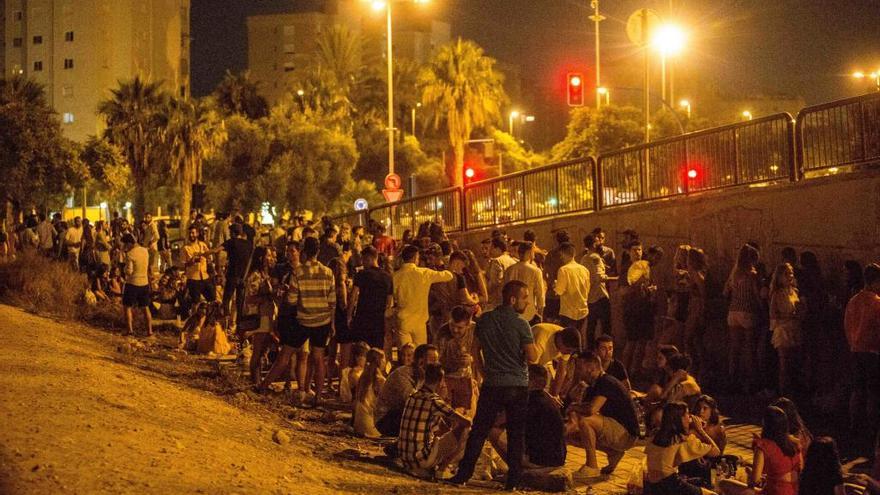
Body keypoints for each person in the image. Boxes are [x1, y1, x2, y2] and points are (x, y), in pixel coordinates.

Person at [446, 281, 538, 491]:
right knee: (516, 434)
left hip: (492, 383)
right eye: (525, 297)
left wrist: (484, 372)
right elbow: (532, 357)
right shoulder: (521, 324)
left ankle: (463, 474)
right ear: (513, 299)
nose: (527, 302)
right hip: (517, 384)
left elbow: (475, 349)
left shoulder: (485, 320)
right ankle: (513, 481)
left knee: (479, 430)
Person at [565, 350, 639, 478]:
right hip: (616, 429)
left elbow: (590, 410)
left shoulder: (606, 382)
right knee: (574, 435)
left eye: (579, 367)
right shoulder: (593, 385)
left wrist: (573, 406)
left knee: (586, 421)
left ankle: (591, 466)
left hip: (627, 434)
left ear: (590, 368)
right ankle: (613, 453)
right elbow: (579, 412)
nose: (577, 371)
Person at [399, 363, 472, 479]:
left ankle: (437, 467)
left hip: (406, 458)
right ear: (441, 381)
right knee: (467, 429)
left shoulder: (412, 396)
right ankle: (442, 470)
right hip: (422, 460)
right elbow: (466, 422)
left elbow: (438, 429)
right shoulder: (434, 401)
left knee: (440, 436)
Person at [489, 364, 567, 469]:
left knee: (492, 431)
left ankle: (517, 469)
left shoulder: (526, 399)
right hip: (557, 458)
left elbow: (497, 422)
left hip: (540, 460)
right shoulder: (547, 399)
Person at [290, 236, 335, 407]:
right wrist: (332, 324)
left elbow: (292, 299)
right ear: (318, 251)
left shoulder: (299, 272)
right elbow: (332, 301)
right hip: (322, 321)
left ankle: (301, 390)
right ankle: (318, 396)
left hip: (303, 320)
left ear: (304, 252)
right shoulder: (328, 272)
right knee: (318, 358)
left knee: (295, 353)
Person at [719, 406, 802, 495]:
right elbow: (797, 470)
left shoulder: (763, 446)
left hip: (773, 492)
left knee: (724, 483)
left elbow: (755, 480)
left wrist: (751, 473)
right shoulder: (794, 444)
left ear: (765, 424)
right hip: (793, 491)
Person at [644, 401, 721, 495]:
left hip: (652, 484)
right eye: (687, 414)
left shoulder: (656, 434)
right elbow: (716, 451)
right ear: (680, 418)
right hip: (669, 484)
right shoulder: (682, 439)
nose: (690, 418)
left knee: (695, 482)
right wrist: (700, 430)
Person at [844, 263, 880, 453]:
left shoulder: (854, 300)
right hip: (872, 351)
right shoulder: (876, 302)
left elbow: (846, 325)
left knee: (857, 390)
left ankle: (854, 424)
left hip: (855, 349)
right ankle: (870, 428)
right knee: (872, 392)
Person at [392, 245, 454, 347]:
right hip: (420, 321)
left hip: (403, 320)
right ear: (415, 258)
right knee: (420, 352)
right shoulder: (424, 273)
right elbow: (448, 276)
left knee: (406, 352)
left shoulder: (395, 276)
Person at [375, 344, 439, 437]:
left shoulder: (423, 375)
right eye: (433, 360)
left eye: (436, 360)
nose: (436, 364)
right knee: (422, 414)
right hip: (385, 420)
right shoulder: (402, 375)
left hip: (401, 414)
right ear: (420, 361)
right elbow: (413, 403)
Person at [724, 243, 763, 393]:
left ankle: (732, 378)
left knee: (735, 348)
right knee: (750, 348)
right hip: (748, 312)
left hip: (733, 312)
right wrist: (761, 309)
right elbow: (756, 295)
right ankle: (752, 381)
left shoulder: (734, 273)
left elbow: (726, 291)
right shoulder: (752, 275)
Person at [622, 244, 663, 375]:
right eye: (634, 250)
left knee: (642, 342)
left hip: (644, 309)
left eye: (639, 249)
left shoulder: (646, 267)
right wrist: (643, 288)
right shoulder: (635, 267)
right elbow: (626, 289)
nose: (656, 260)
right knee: (632, 342)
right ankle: (623, 370)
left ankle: (635, 370)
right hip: (633, 309)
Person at [348, 246, 393, 350]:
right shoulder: (387, 277)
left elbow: (353, 297)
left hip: (362, 319)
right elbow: (389, 303)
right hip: (378, 321)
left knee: (361, 351)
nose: (362, 263)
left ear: (370, 259)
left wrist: (349, 316)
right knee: (376, 351)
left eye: (363, 260)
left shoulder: (361, 274)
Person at [242, 246, 276, 387]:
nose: (271, 258)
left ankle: (258, 380)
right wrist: (267, 297)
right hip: (260, 316)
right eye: (268, 255)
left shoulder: (266, 274)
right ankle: (255, 381)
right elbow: (250, 298)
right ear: (261, 258)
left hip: (267, 314)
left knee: (263, 350)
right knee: (258, 349)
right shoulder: (255, 275)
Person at [769, 263, 804, 396]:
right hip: (783, 329)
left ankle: (793, 391)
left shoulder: (795, 292)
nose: (790, 276)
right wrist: (789, 316)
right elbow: (773, 314)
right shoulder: (777, 294)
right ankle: (783, 393)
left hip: (795, 328)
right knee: (784, 364)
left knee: (794, 363)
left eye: (791, 273)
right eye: (786, 274)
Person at [436, 306, 479, 413]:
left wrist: (471, 359)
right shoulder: (443, 332)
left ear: (468, 325)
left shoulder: (475, 330)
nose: (455, 330)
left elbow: (481, 352)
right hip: (446, 378)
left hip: (465, 377)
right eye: (452, 325)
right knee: (445, 413)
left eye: (459, 328)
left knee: (464, 414)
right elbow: (436, 360)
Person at [530, 323, 581, 395]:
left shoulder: (567, 343)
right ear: (560, 340)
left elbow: (561, 370)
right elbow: (532, 368)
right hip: (523, 362)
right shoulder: (542, 337)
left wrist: (555, 395)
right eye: (568, 350)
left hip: (541, 363)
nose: (569, 353)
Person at [504, 241, 546, 325]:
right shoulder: (536, 271)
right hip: (529, 314)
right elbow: (540, 295)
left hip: (511, 314)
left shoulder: (509, 270)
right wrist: (540, 314)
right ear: (529, 253)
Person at [582, 234, 614, 345]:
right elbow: (600, 277)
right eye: (598, 241)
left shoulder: (584, 259)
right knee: (606, 327)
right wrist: (615, 278)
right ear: (594, 244)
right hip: (600, 296)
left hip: (590, 297)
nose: (600, 242)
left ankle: (591, 350)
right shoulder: (595, 258)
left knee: (591, 327)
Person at [554, 242, 590, 339]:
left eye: (561, 254)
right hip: (583, 310)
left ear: (563, 253)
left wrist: (555, 285)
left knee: (568, 340)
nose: (560, 257)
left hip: (568, 312)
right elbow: (587, 289)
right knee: (580, 338)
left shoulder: (563, 270)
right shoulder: (584, 270)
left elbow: (559, 291)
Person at [121, 233, 152, 336]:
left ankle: (129, 330)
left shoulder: (130, 254)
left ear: (129, 243)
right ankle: (150, 331)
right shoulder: (145, 251)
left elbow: (129, 271)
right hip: (144, 282)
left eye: (126, 245)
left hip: (133, 283)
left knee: (127, 307)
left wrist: (124, 269)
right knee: (145, 307)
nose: (125, 247)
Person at [182, 226, 215, 317]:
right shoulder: (186, 248)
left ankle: (209, 320)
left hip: (205, 276)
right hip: (193, 278)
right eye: (190, 233)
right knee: (195, 302)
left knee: (212, 299)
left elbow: (209, 257)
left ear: (197, 233)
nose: (191, 235)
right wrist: (193, 260)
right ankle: (194, 322)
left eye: (193, 233)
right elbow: (184, 264)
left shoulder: (203, 245)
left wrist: (208, 258)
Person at [353, 348, 386, 438]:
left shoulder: (362, 377)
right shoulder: (380, 380)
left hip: (358, 426)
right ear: (380, 361)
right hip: (371, 429)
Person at [543, 230, 570, 322]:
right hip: (566, 296)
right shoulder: (570, 255)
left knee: (550, 321)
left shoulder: (551, 254)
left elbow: (545, 273)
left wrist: (550, 283)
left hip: (552, 294)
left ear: (557, 240)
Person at [484, 237, 518, 310]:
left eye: (491, 248)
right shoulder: (513, 260)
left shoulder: (497, 261)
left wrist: (486, 290)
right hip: (511, 299)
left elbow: (495, 282)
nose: (489, 251)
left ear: (498, 249)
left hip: (498, 300)